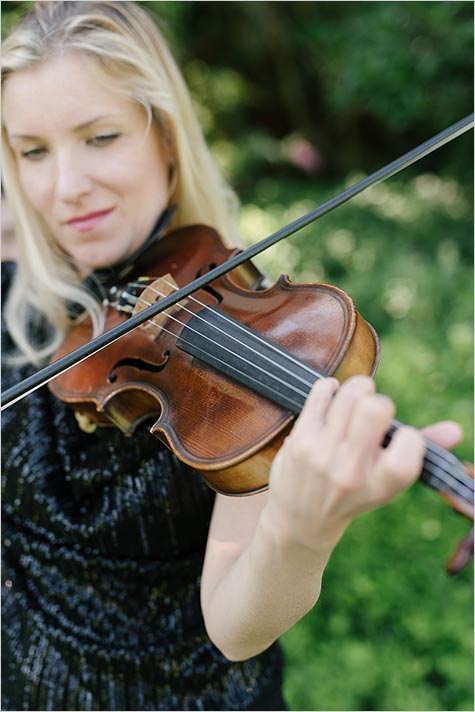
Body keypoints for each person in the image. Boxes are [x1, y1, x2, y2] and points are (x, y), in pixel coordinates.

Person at [1, 2, 463, 711]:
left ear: (166, 140)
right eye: (34, 150)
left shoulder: (239, 333)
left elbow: (234, 626)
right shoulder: (14, 290)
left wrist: (299, 533)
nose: (65, 188)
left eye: (99, 137)